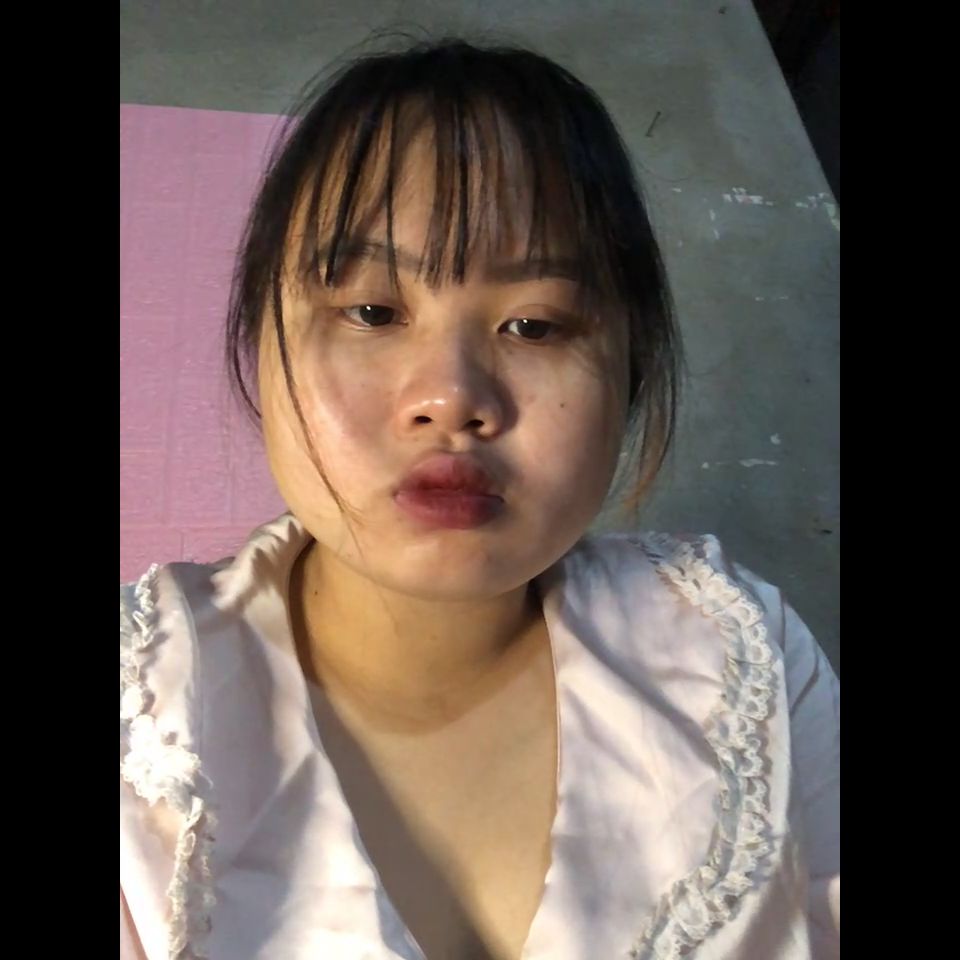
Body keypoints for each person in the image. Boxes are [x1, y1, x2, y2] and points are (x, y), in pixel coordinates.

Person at [120, 37, 840, 960]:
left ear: (633, 368)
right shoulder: (145, 710)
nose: (452, 396)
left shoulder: (748, 654)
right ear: (262, 342)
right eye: (373, 312)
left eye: (533, 325)